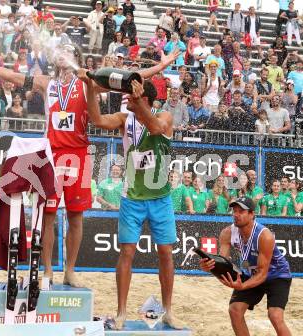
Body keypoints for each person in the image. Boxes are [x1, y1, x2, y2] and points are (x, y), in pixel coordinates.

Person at [0, 43, 179, 289]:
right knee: (48, 216)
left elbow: (128, 79)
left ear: (76, 57)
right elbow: (10, 76)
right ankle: (48, 271)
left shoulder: (89, 81)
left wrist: (162, 65)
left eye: (69, 51)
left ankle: (70, 270)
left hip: (79, 155)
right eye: (60, 50)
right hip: (51, 154)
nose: (63, 54)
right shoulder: (45, 83)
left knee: (76, 216)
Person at [81, 73, 183, 330]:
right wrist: (90, 89)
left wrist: (139, 106)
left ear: (144, 98)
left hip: (160, 197)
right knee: (126, 253)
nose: (126, 97)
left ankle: (168, 311)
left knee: (166, 254)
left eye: (132, 95)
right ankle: (121, 312)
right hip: (132, 198)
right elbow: (96, 120)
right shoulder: (125, 119)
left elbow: (156, 128)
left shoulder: (165, 116)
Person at [199, 197, 292, 336]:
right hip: (251, 273)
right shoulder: (227, 233)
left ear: (252, 214)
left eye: (241, 211)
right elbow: (222, 264)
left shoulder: (264, 236)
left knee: (275, 316)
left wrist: (242, 286)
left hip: (276, 275)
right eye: (234, 211)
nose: (236, 214)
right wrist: (210, 267)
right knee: (234, 311)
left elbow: (262, 274)